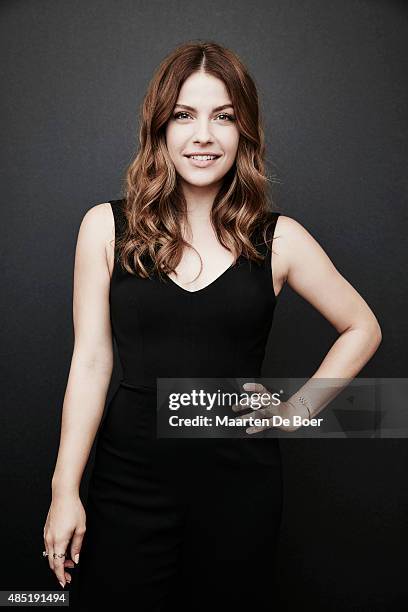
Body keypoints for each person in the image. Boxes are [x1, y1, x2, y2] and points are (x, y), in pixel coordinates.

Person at [42, 41, 382, 611]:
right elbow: (92, 362)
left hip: (240, 485)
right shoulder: (105, 227)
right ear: (160, 128)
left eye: (223, 116)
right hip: (128, 480)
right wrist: (64, 489)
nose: (204, 135)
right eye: (184, 115)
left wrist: (297, 411)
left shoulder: (281, 238)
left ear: (244, 131)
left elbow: (362, 327)